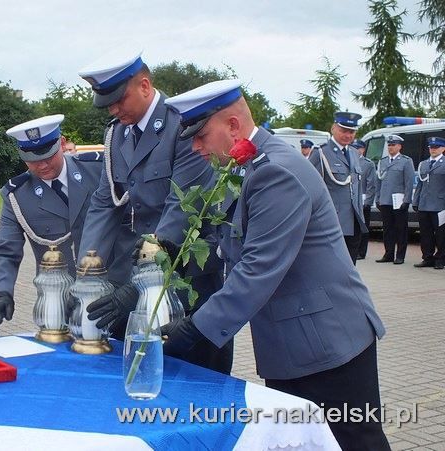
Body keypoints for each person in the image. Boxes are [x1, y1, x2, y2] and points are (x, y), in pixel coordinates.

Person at [161, 79, 389, 450]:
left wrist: (194, 330)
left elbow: (258, 268)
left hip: (328, 345)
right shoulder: (243, 168)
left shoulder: (275, 172)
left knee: (354, 442)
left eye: (200, 135)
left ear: (233, 126)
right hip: (293, 344)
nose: (195, 146)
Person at [76, 51, 231, 374]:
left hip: (186, 278)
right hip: (135, 278)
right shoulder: (117, 134)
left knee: (194, 382)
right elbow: (105, 203)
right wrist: (86, 272)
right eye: (108, 105)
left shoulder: (182, 124)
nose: (114, 110)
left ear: (145, 85)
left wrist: (141, 283)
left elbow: (183, 209)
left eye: (119, 100)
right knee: (136, 373)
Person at [0, 114, 108, 333]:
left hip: (109, 298)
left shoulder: (98, 171)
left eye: (48, 155)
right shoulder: (17, 195)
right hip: (58, 304)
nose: (42, 165)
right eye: (32, 159)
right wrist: (0, 293)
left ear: (61, 143)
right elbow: (5, 251)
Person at [308, 112, 367, 265]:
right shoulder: (320, 152)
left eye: (352, 132)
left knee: (350, 267)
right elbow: (312, 189)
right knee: (331, 266)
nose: (348, 135)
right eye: (344, 130)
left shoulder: (354, 153)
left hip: (354, 220)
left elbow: (356, 186)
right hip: (332, 221)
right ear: (333, 128)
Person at [375, 134, 415, 264]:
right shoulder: (383, 161)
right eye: (389, 145)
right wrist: (378, 198)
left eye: (393, 145)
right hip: (385, 200)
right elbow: (378, 181)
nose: (390, 147)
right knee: (387, 229)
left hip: (399, 201)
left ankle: (400, 256)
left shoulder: (406, 161)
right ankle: (388, 254)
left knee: (400, 229)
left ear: (399, 146)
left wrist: (407, 200)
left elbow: (409, 182)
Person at [412, 136, 445, 269]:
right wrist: (416, 201)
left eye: (436, 147)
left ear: (443, 148)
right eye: (431, 147)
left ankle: (440, 259)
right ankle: (427, 257)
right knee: (425, 234)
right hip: (424, 204)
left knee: (441, 235)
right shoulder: (424, 164)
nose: (433, 150)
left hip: (440, 205)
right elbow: (420, 184)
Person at [353, 139, 377, 260]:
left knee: (363, 227)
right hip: (351, 200)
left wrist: (368, 201)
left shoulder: (368, 164)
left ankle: (362, 251)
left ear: (362, 149)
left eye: (358, 148)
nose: (355, 150)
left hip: (363, 201)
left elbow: (371, 185)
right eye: (353, 147)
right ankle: (353, 249)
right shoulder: (349, 160)